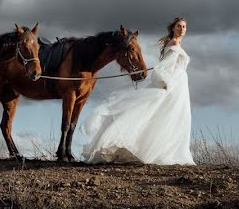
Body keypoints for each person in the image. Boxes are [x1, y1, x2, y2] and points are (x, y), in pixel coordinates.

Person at [80, 16, 195, 165]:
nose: (182, 29)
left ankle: (166, 151)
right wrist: (165, 82)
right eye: (179, 26)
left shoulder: (177, 44)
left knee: (172, 117)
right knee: (165, 115)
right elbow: (162, 67)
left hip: (180, 84)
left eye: (184, 27)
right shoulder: (174, 44)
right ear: (173, 28)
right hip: (174, 83)